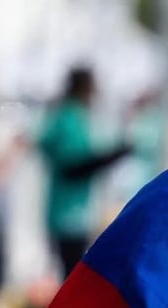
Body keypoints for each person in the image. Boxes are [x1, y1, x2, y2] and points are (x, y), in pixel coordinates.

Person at [37, 65, 131, 278]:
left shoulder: (70, 116)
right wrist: (112, 156)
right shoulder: (69, 118)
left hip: (74, 214)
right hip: (68, 216)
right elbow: (73, 166)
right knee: (71, 276)